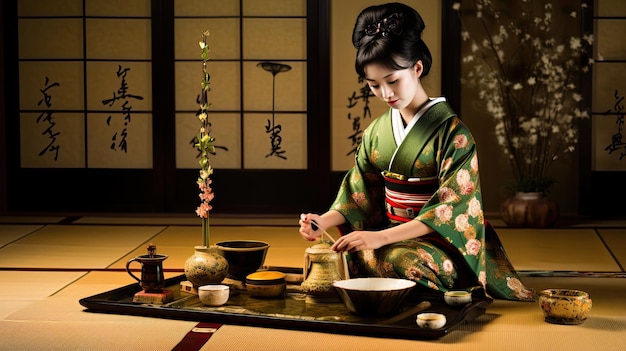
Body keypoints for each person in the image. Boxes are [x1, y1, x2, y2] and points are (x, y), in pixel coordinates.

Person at [299, 2, 535, 301]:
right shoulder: (376, 132)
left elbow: (449, 210)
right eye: (374, 85)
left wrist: (380, 237)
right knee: (352, 252)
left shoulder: (453, 135)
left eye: (393, 81)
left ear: (417, 68)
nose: (385, 93)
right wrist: (321, 221)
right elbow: (358, 195)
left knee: (398, 261)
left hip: (437, 242)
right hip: (388, 236)